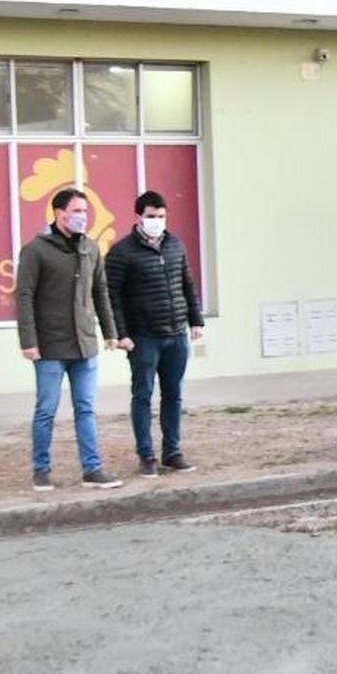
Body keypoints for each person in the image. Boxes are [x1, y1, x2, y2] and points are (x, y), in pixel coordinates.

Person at [15, 188, 123, 491]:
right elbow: (24, 296)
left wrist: (110, 332)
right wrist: (28, 341)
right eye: (76, 211)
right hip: (50, 346)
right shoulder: (36, 250)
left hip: (84, 344)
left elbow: (100, 291)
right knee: (46, 409)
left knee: (86, 408)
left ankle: (93, 469)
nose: (82, 217)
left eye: (85, 212)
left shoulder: (90, 248)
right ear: (59, 213)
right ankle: (41, 469)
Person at [106, 190, 205, 478]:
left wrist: (195, 321)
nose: (157, 221)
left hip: (175, 334)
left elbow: (187, 283)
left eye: (161, 216)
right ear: (138, 217)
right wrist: (121, 333)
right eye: (151, 217)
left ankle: (172, 452)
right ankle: (146, 455)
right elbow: (111, 296)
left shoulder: (175, 246)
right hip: (143, 337)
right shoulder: (122, 252)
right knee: (143, 395)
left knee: (173, 396)